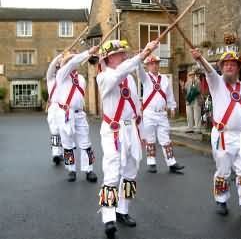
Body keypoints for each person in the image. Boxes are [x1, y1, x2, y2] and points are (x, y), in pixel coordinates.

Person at [190, 49, 241, 222]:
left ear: (239, 68)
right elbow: (209, 70)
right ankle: (221, 201)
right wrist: (200, 59)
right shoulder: (216, 83)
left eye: (233, 64)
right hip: (223, 135)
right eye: (226, 64)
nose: (229, 67)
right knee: (223, 171)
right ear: (221, 68)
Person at [96, 39, 158, 239]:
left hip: (131, 130)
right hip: (113, 131)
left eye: (124, 53)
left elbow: (136, 109)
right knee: (112, 172)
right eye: (119, 54)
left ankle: (123, 210)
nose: (123, 56)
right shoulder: (104, 77)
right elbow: (118, 74)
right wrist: (142, 55)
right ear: (108, 58)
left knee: (131, 172)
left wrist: (142, 134)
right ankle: (108, 217)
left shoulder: (130, 79)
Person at [53, 47, 99, 182]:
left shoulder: (81, 78)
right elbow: (72, 63)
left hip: (79, 114)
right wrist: (87, 52)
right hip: (65, 114)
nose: (72, 62)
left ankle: (89, 170)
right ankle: (71, 170)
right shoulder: (61, 75)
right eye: (69, 60)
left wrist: (84, 55)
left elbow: (78, 98)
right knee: (67, 143)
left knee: (86, 143)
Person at [138, 54, 185, 174]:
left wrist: (172, 106)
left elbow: (169, 94)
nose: (154, 65)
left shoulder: (164, 78)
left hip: (162, 114)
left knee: (166, 139)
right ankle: (151, 162)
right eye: (152, 63)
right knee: (150, 138)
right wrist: (139, 58)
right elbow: (139, 69)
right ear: (147, 66)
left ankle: (171, 163)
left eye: (156, 63)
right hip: (149, 113)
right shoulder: (145, 78)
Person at [46, 53, 63, 165]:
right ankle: (57, 154)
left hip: (59, 107)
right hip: (57, 107)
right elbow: (51, 67)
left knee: (59, 132)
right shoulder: (51, 80)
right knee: (57, 132)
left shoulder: (62, 80)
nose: (57, 70)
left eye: (58, 68)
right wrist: (60, 56)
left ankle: (58, 153)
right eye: (57, 68)